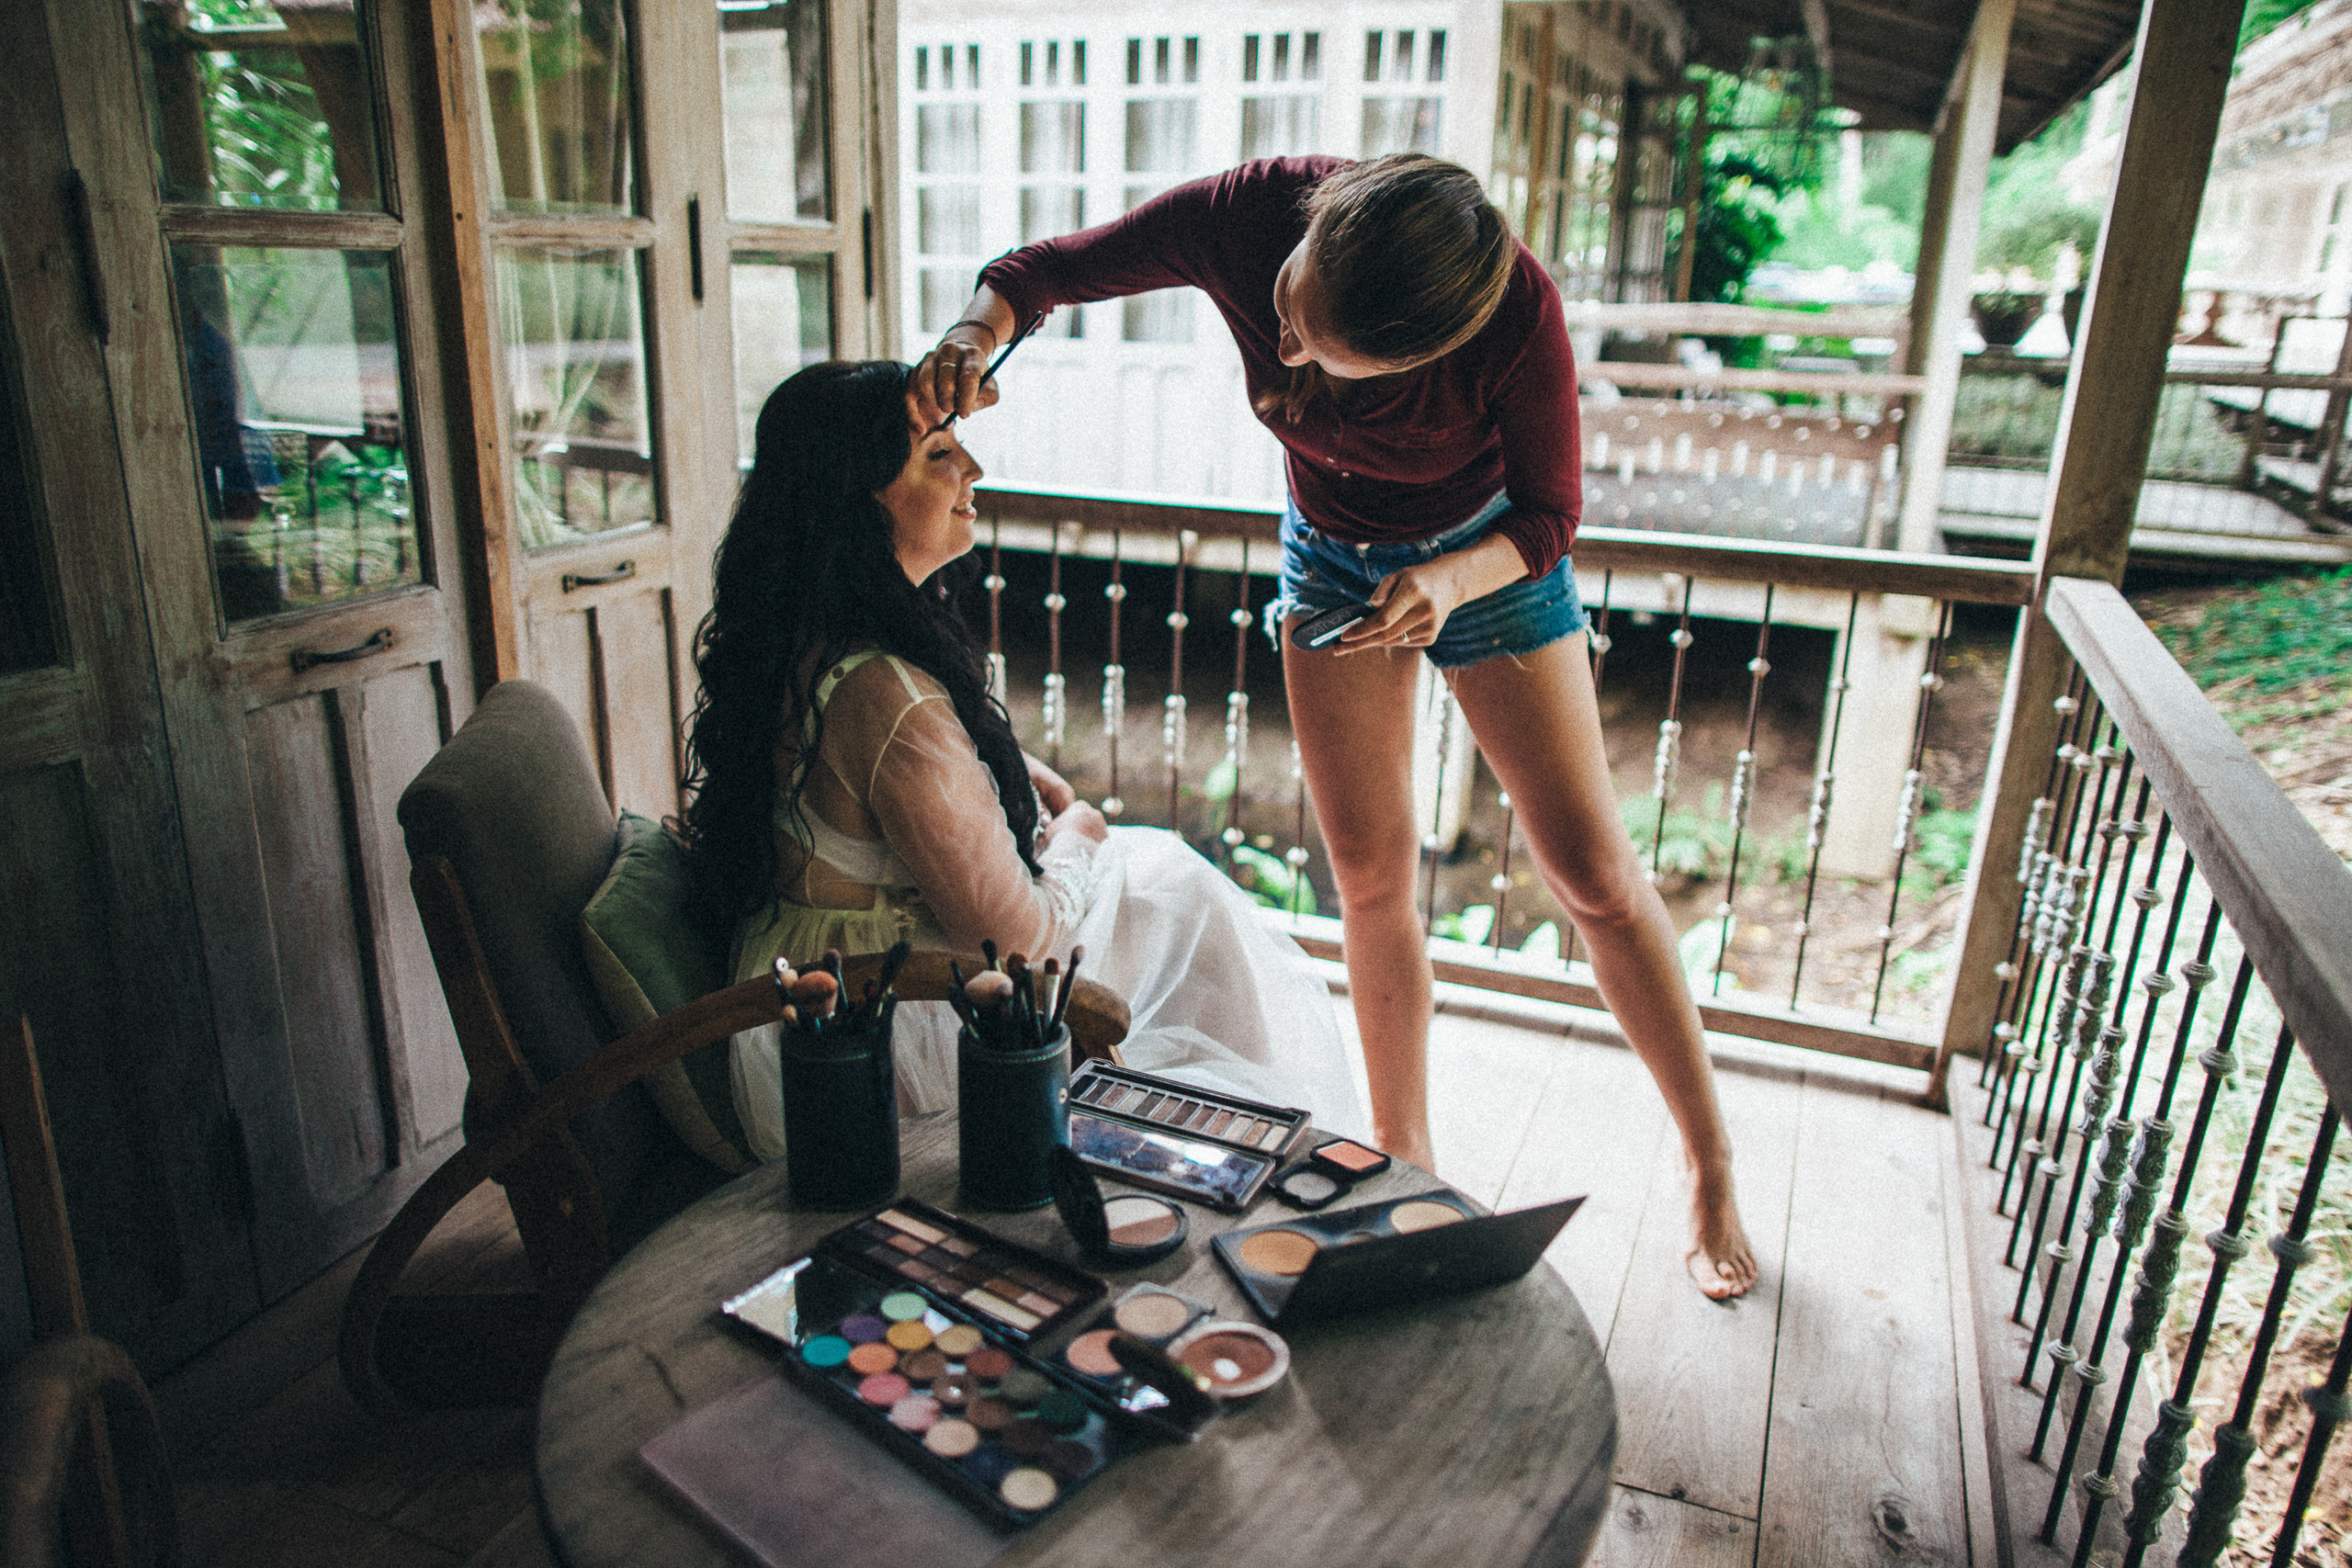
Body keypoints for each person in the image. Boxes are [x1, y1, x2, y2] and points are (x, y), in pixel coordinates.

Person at [910, 153, 1758, 1298]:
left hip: (1494, 558)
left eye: (1329, 358)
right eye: (1289, 320)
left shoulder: (1516, 314)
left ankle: (1709, 1166)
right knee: (1369, 877)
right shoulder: (1242, 215)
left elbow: (1555, 512)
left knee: (1593, 875)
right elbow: (1038, 273)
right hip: (1327, 561)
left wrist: (1451, 583)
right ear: (1305, 240)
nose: (1290, 357)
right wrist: (972, 333)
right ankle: (1409, 1164)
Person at [679, 360, 1366, 1160]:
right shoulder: (885, 698)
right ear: (856, 503)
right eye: (939, 454)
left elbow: (875, 799)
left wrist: (989, 775)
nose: (972, 468)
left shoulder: (807, 634)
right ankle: (1246, 1160)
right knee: (1179, 894)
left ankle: (1233, 1147)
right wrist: (1081, 825)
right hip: (878, 1033)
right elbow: (1029, 953)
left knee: (1164, 894)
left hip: (821, 994)